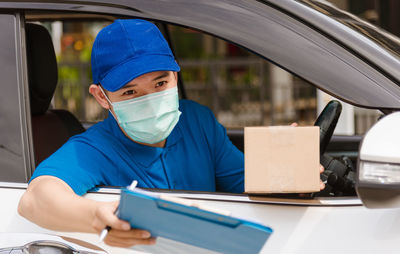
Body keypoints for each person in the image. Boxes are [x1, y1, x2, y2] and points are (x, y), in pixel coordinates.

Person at [18, 19, 246, 248]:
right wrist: (96, 217)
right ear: (100, 97)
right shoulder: (93, 149)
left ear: (175, 76)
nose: (150, 103)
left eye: (160, 84)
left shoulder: (198, 121)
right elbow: (35, 199)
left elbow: (247, 182)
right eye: (130, 92)